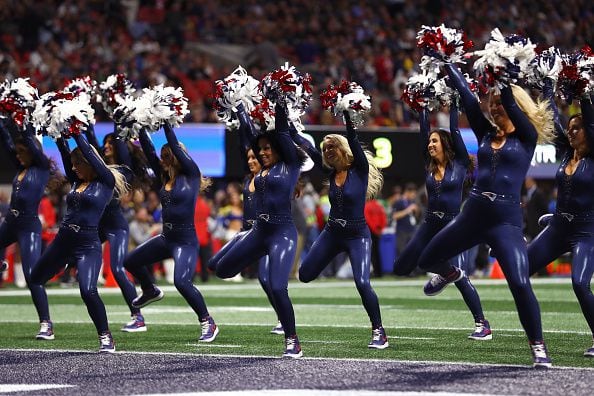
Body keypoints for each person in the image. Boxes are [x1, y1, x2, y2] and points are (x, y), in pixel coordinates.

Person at [416, 62, 555, 367]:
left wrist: (503, 79)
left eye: (499, 104)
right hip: (473, 214)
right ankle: (452, 274)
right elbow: (467, 97)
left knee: (519, 283)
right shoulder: (484, 133)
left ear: (514, 106)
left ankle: (538, 346)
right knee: (426, 260)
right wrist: (446, 62)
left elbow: (507, 100)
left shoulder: (526, 137)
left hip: (505, 221)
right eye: (491, 104)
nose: (494, 109)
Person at [209, 101, 304, 357]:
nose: (261, 153)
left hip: (282, 234)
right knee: (222, 270)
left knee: (276, 286)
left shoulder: (290, 165)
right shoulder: (260, 170)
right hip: (259, 232)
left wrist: (281, 100)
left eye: (266, 149)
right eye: (259, 149)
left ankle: (292, 339)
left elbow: (282, 133)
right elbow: (249, 140)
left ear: (279, 149)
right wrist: (240, 105)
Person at [393, 105, 492, 340]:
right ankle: (446, 272)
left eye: (435, 141)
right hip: (429, 223)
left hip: (452, 226)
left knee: (462, 279)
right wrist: (423, 106)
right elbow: (423, 129)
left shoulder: (458, 163)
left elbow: (455, 129)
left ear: (445, 144)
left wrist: (455, 103)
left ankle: (482, 325)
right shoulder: (429, 164)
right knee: (401, 267)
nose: (430, 145)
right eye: (429, 142)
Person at [296, 111, 389, 349]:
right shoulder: (330, 173)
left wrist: (345, 111)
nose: (328, 150)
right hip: (332, 233)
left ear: (344, 149)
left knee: (362, 282)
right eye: (326, 147)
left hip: (357, 235)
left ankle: (379, 330)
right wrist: (288, 124)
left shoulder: (359, 169)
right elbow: (308, 147)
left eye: (332, 146)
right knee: (304, 275)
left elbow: (353, 137)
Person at [31, 131, 129, 352]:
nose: (73, 168)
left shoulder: (105, 181)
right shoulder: (77, 180)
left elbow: (87, 152)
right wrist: (58, 132)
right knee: (35, 278)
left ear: (89, 163)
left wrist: (76, 131)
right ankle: (46, 323)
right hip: (63, 240)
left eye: (78, 164)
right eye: (73, 165)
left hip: (87, 243)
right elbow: (66, 154)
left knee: (88, 290)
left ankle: (105, 336)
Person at [124, 124, 219, 343]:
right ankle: (150, 290)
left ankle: (207, 322)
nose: (164, 160)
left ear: (179, 156)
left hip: (185, 240)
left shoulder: (192, 175)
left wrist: (166, 122)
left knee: (182, 282)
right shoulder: (164, 177)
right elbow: (148, 151)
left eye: (168, 155)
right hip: (167, 238)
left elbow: (174, 146)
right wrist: (139, 125)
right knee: (130, 261)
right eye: (163, 156)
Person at [527, 88, 594, 357]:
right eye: (570, 128)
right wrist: (546, 87)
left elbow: (588, 117)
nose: (572, 132)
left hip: (585, 231)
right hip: (558, 228)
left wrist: (583, 91)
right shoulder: (567, 154)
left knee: (579, 283)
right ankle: (535, 338)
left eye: (577, 128)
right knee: (519, 270)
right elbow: (553, 120)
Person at [84, 126, 148, 332]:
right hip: (96, 226)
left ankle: (138, 317)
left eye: (112, 143)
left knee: (118, 269)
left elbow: (119, 140)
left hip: (115, 226)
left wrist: (118, 115)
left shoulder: (124, 169)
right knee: (74, 259)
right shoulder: (99, 166)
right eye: (106, 144)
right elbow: (91, 144)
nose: (107, 146)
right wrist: (83, 125)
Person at [0, 120, 54, 339]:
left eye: (23, 152)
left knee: (33, 276)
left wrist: (23, 120)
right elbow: (6, 142)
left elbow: (29, 142)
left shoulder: (40, 168)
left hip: (28, 226)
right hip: (10, 223)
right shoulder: (22, 166)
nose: (18, 155)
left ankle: (46, 324)